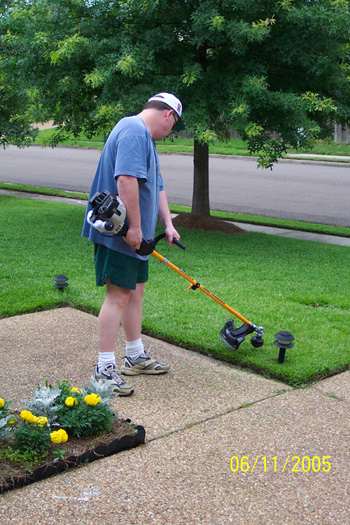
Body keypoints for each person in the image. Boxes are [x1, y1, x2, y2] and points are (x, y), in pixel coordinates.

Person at [82, 92, 182, 396]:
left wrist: (168, 223)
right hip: (122, 233)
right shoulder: (133, 130)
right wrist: (134, 228)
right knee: (118, 295)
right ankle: (103, 369)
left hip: (139, 236)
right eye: (174, 125)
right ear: (168, 115)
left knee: (134, 291)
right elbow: (125, 180)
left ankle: (134, 355)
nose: (170, 133)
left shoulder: (145, 139)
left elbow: (157, 185)